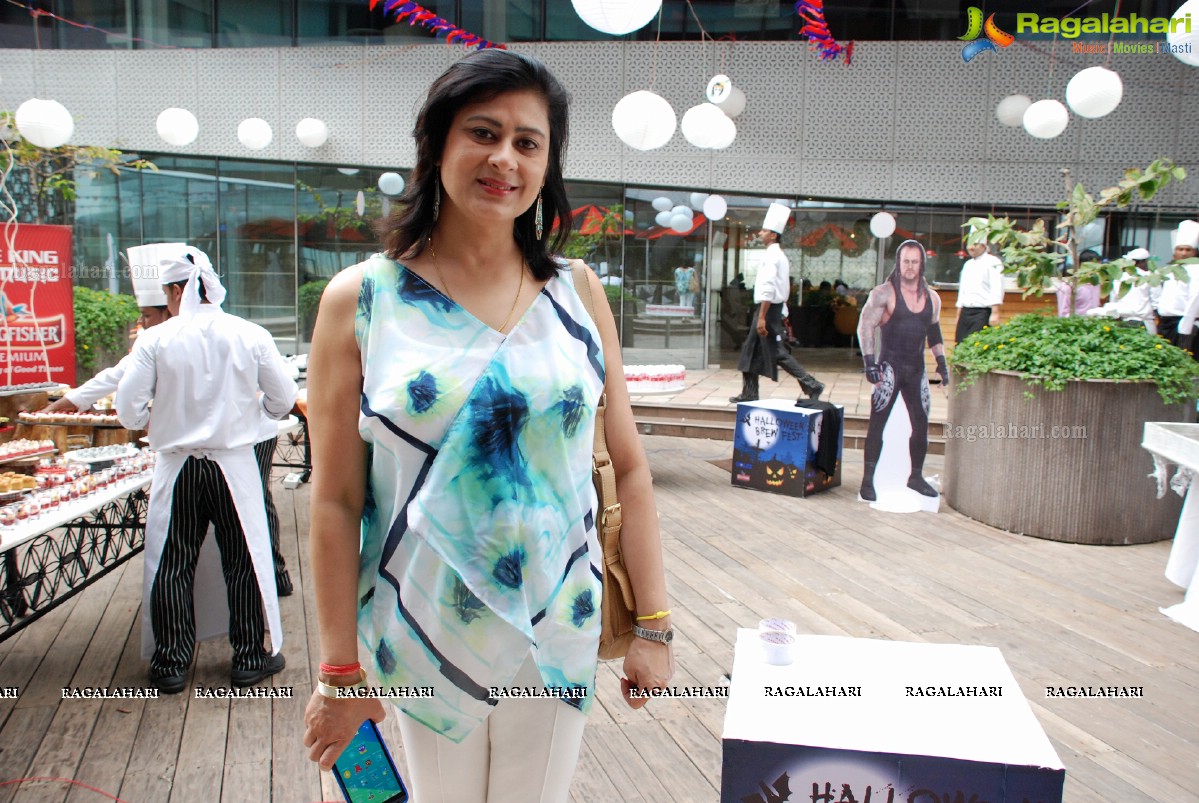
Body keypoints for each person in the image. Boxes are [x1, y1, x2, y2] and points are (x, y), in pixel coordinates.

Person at [301, 50, 672, 803]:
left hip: (556, 624)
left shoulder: (578, 293)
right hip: (421, 622)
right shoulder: (361, 300)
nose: (504, 157)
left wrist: (654, 626)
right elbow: (336, 499)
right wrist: (339, 667)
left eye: (527, 142)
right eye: (482, 132)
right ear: (437, 144)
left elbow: (627, 465)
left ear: (546, 165)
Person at [116, 247, 297, 694]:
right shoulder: (249, 333)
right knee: (245, 559)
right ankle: (250, 658)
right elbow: (282, 398)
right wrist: (253, 412)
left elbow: (126, 411)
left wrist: (157, 417)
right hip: (233, 466)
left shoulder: (155, 339)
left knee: (172, 562)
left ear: (178, 290)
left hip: (177, 466)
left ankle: (171, 663)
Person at [857, 240, 948, 502]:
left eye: (915, 261)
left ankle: (915, 477)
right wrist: (870, 362)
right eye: (905, 261)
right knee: (877, 425)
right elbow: (866, 327)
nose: (910, 266)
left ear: (922, 264)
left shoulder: (932, 298)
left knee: (921, 425)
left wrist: (941, 364)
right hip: (889, 369)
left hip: (916, 371)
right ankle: (867, 481)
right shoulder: (883, 293)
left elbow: (934, 331)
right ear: (898, 263)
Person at [729, 203, 824, 403]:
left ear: (773, 235)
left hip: (768, 309)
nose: (760, 233)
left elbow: (769, 288)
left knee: (776, 352)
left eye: (764, 230)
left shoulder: (773, 256)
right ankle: (750, 392)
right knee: (751, 350)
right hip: (771, 308)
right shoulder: (776, 255)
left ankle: (811, 383)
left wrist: (762, 316)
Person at [954, 240, 1004, 343]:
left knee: (976, 344)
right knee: (960, 344)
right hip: (965, 311)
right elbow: (962, 290)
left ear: (983, 245)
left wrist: (995, 313)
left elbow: (996, 287)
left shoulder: (994, 262)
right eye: (969, 244)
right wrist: (958, 315)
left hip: (982, 312)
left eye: (975, 244)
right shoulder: (968, 264)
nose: (971, 248)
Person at [1164, 220, 1199, 349]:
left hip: (1183, 322)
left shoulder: (1196, 270)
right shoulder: (1169, 269)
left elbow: (1195, 297)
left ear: (1194, 252)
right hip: (1167, 322)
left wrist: (1186, 326)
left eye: (1188, 249)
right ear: (1175, 251)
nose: (1183, 253)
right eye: (1180, 249)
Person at [1055, 249, 1102, 317]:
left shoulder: (1096, 284)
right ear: (1081, 265)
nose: (1095, 270)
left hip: (1094, 325)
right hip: (1076, 325)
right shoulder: (1068, 286)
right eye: (1092, 267)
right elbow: (1063, 314)